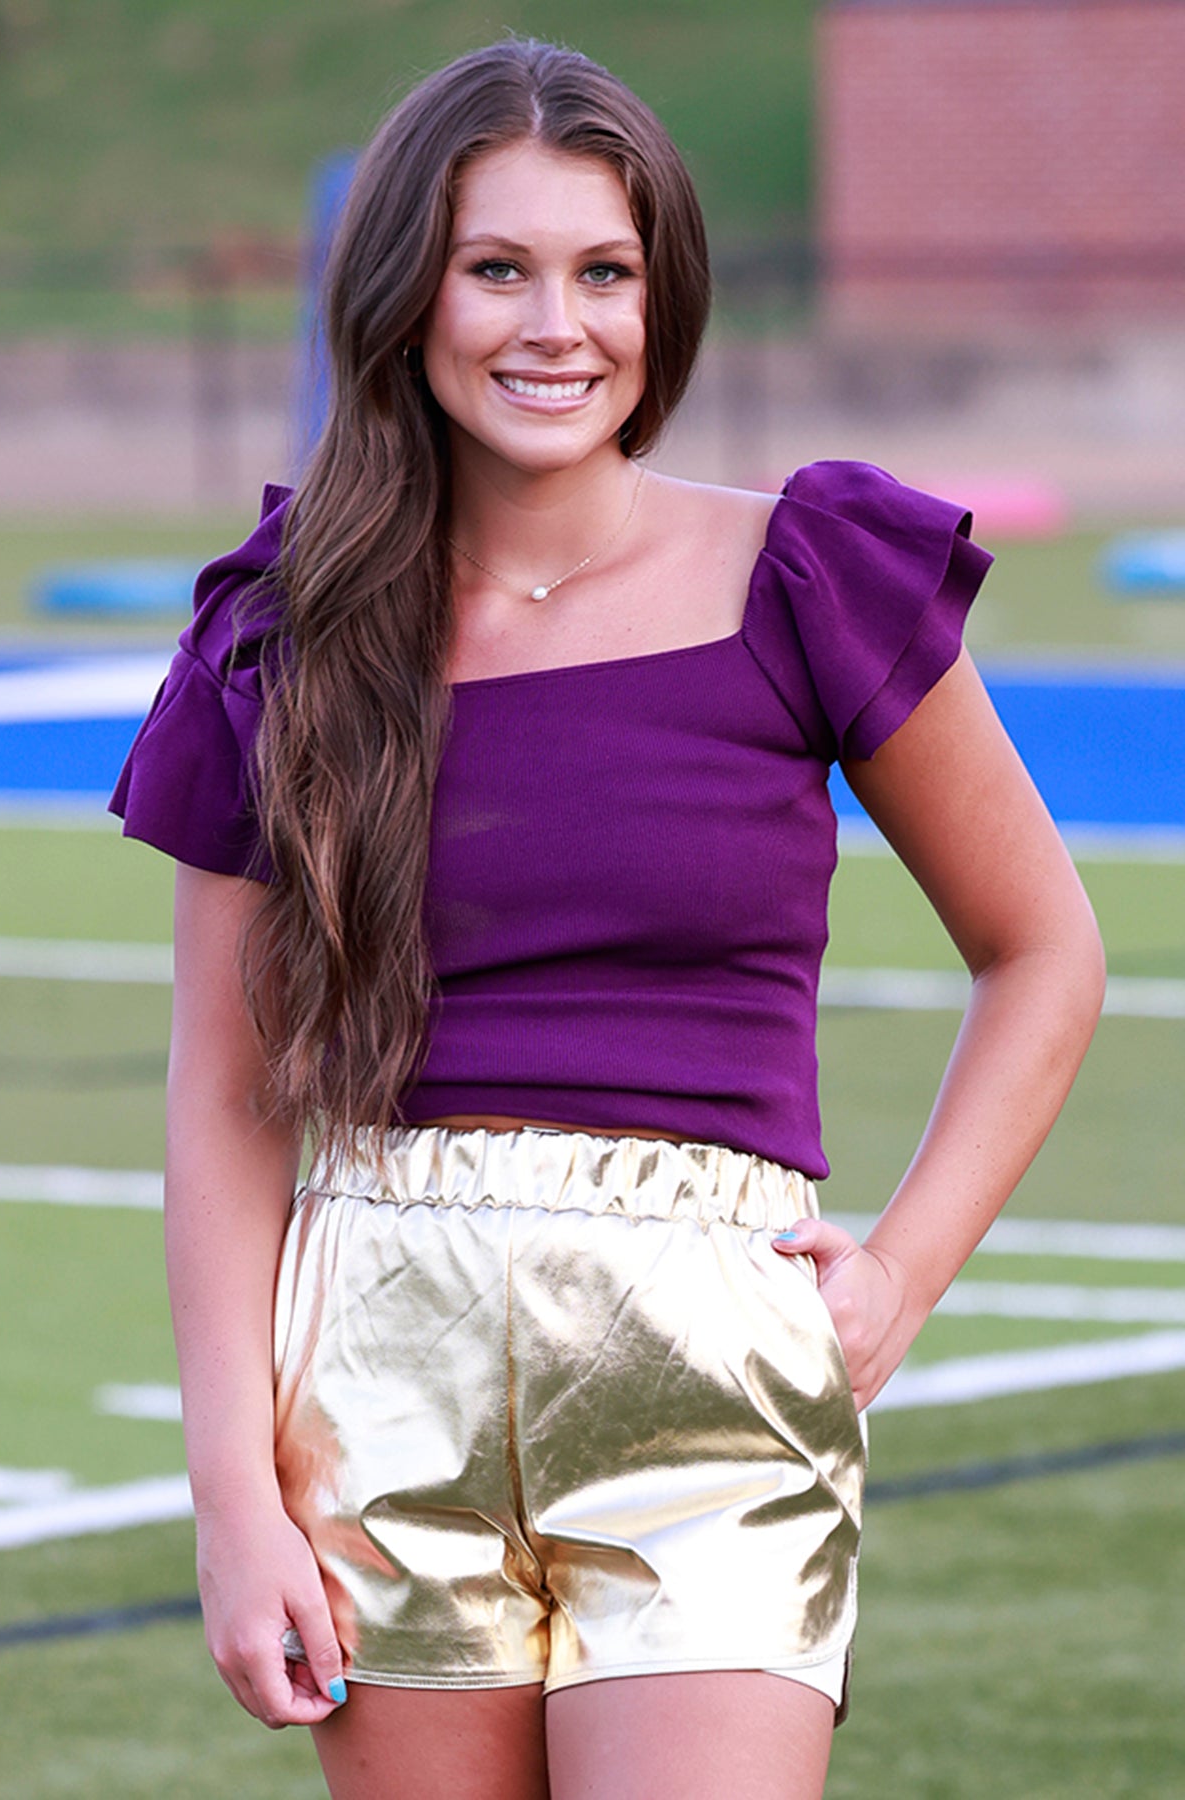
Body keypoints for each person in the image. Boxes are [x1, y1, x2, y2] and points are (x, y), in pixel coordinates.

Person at [110, 38, 1105, 1800]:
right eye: (497, 268)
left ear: (667, 299)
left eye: (604, 272)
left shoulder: (809, 577)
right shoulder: (282, 630)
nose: (553, 325)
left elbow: (1045, 948)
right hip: (374, 1362)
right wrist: (232, 1500)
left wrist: (901, 1278)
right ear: (409, 292)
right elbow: (225, 1086)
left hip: (707, 1371)